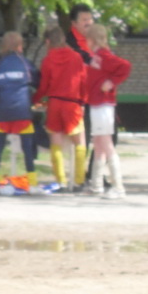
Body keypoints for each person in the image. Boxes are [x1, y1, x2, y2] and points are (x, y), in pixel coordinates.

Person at [32, 26, 87, 191]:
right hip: (73, 104)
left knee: (56, 144)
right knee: (80, 143)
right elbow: (83, 81)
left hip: (55, 104)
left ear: (48, 41)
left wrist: (35, 100)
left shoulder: (47, 60)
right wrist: (83, 102)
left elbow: (44, 86)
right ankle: (78, 181)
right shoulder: (76, 57)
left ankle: (61, 181)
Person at [0, 31, 43, 193]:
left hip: (2, 112)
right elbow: (37, 80)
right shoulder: (25, 63)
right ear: (19, 46)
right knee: (27, 148)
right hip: (21, 111)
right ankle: (32, 184)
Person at [84, 24, 132, 199]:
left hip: (103, 105)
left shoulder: (104, 56)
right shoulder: (98, 56)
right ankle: (96, 185)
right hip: (98, 104)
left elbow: (125, 66)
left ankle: (118, 187)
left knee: (106, 144)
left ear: (91, 40)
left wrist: (111, 82)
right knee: (99, 144)